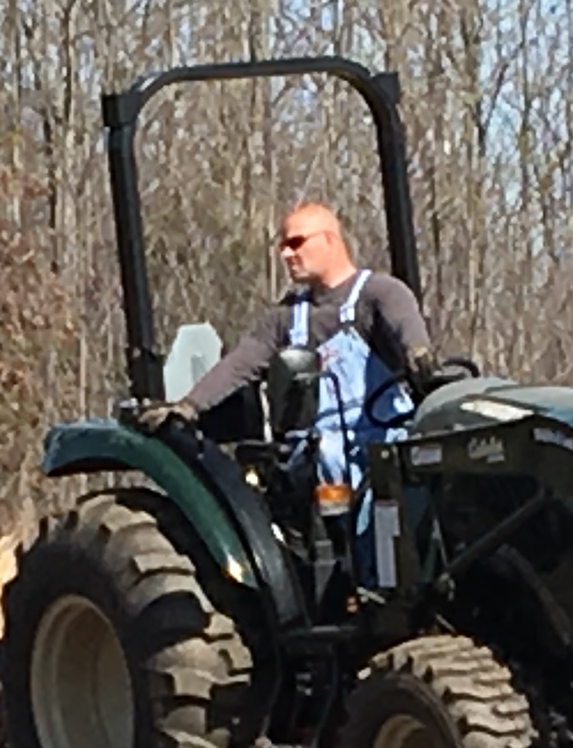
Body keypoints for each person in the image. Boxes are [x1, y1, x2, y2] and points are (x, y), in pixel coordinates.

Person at [151, 204, 460, 586]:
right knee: (317, 464)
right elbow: (240, 363)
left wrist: (418, 352)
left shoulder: (378, 294)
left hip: (383, 445)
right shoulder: (285, 318)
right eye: (283, 245)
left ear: (330, 240)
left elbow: (406, 326)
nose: (286, 253)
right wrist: (188, 405)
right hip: (318, 459)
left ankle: (393, 584)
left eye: (296, 243)